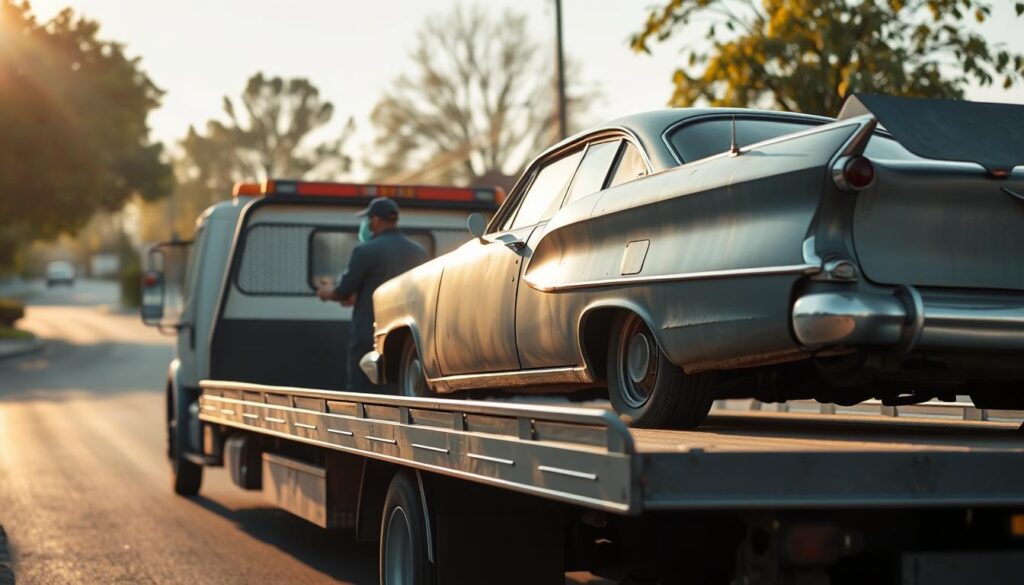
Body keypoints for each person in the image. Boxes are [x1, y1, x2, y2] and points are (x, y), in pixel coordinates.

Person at [316, 197, 428, 391]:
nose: (366, 224)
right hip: (407, 336)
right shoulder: (419, 252)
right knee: (399, 389)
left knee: (363, 390)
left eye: (367, 219)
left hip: (370, 334)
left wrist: (326, 292)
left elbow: (344, 291)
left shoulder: (365, 251)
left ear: (375, 221)